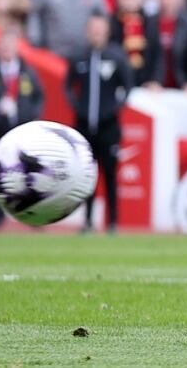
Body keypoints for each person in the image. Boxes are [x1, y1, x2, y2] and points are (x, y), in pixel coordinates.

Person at [66, 15, 133, 231]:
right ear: (88, 31)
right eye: (93, 29)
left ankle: (112, 222)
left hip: (108, 127)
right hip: (84, 127)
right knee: (87, 176)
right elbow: (68, 86)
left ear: (106, 31)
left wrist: (113, 109)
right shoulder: (80, 57)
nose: (96, 33)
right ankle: (87, 221)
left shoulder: (116, 56)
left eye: (100, 29)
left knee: (111, 174)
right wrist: (79, 108)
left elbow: (128, 86)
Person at [0, 29, 44, 227]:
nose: (6, 50)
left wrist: (29, 115)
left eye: (9, 46)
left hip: (22, 130)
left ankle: (32, 214)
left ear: (16, 47)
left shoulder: (27, 72)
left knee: (29, 173)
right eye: (2, 46)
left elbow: (38, 97)